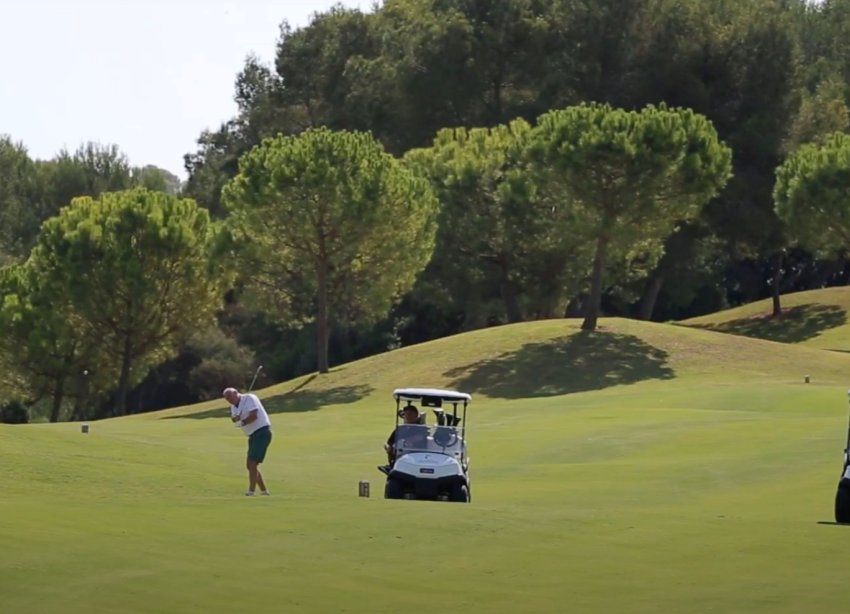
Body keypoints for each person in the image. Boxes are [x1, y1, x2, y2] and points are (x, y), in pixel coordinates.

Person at [223, 387, 273, 496]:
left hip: (262, 432)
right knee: (250, 465)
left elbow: (254, 415)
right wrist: (236, 419)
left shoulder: (249, 398)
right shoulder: (233, 407)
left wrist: (243, 421)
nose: (229, 400)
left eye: (230, 397)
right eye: (227, 399)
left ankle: (251, 491)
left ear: (236, 393)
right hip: (252, 436)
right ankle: (264, 491)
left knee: (252, 463)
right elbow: (234, 418)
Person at [382, 403, 424, 468]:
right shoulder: (401, 429)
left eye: (409, 414)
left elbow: (420, 437)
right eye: (405, 414)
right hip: (400, 458)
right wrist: (388, 448)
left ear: (416, 416)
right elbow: (388, 443)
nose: (406, 416)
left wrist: (407, 441)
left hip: (416, 458)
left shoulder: (420, 428)